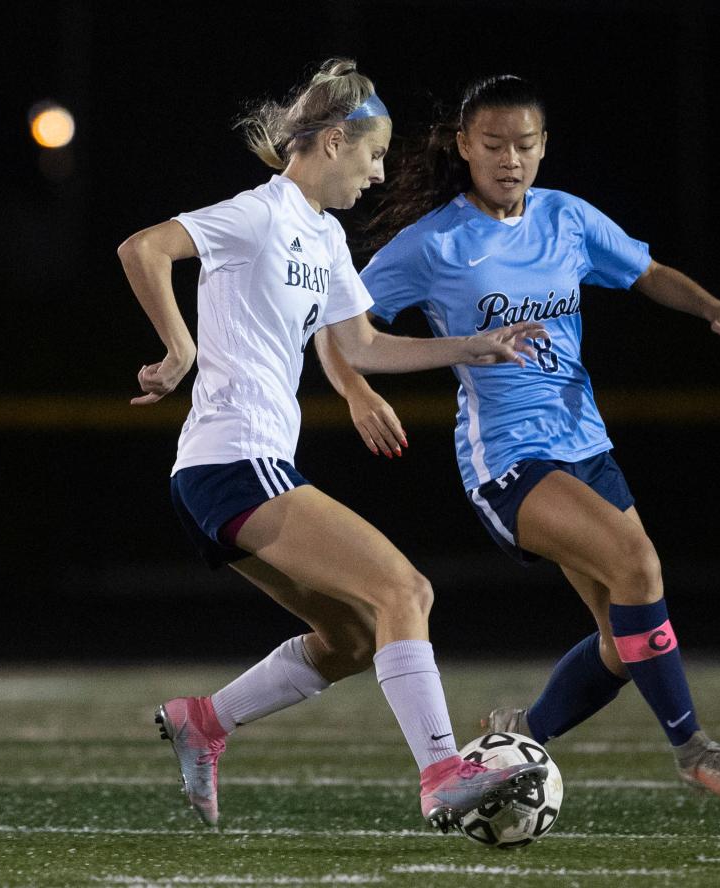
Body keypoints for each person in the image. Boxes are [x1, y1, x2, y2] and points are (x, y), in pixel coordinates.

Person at [117, 59, 549, 832]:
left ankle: (205, 722)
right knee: (405, 592)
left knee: (350, 637)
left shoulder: (324, 235)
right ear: (334, 141)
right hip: (230, 458)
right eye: (374, 155)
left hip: (238, 469)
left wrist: (473, 347)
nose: (379, 173)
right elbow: (143, 248)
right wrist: (178, 349)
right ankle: (444, 775)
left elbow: (364, 345)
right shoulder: (259, 213)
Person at [315, 73, 720, 800]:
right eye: (492, 144)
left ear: (544, 147)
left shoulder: (566, 219)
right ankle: (693, 749)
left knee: (624, 644)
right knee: (639, 565)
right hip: (507, 457)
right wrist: (359, 390)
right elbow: (340, 327)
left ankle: (522, 731)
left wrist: (714, 306)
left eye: (524, 145)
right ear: (464, 147)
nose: (509, 159)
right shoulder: (436, 243)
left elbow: (646, 271)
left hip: (585, 443)